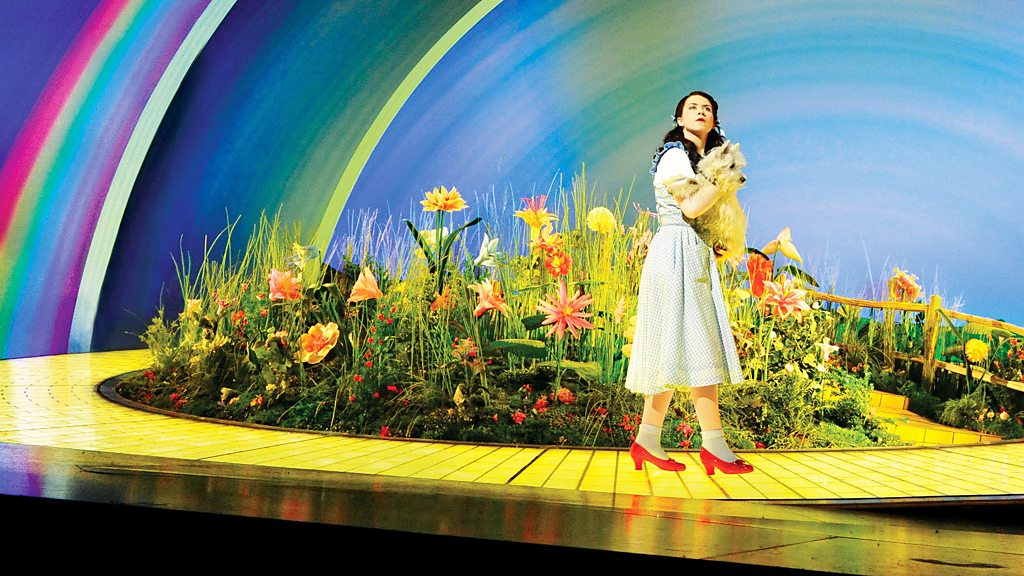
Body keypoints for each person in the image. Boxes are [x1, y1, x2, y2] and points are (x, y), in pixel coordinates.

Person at [623, 91, 753, 475]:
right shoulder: (674, 156)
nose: (700, 111)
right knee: (700, 347)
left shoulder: (698, 159)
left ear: (713, 121)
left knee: (678, 346)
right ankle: (714, 445)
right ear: (679, 119)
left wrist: (717, 238)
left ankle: (647, 439)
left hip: (692, 252)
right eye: (692, 108)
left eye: (706, 109)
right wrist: (722, 176)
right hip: (675, 254)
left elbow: (704, 212)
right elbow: (692, 206)